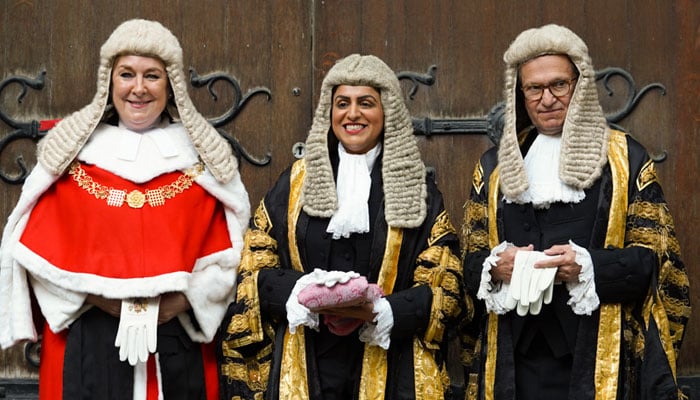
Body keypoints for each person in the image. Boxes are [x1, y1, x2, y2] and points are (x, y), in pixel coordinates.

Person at [0, 19, 250, 399]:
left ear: (171, 86)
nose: (138, 88)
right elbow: (34, 254)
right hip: (87, 342)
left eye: (152, 75)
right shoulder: (73, 159)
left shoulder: (203, 162)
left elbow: (232, 255)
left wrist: (181, 301)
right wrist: (103, 298)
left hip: (178, 344)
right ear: (109, 82)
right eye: (126, 74)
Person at [217, 54, 471, 399]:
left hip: (388, 360)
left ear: (387, 112)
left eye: (366, 103)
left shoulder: (416, 188)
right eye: (342, 103)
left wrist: (385, 311)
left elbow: (445, 281)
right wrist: (302, 291)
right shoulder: (294, 183)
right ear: (329, 112)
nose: (352, 114)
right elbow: (256, 259)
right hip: (307, 358)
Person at [460, 24, 690, 399]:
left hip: (597, 361)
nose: (546, 98)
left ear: (579, 86)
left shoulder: (626, 159)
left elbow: (655, 263)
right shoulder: (494, 168)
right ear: (520, 94)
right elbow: (466, 267)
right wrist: (495, 267)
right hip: (514, 369)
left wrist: (587, 268)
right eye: (534, 88)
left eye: (558, 85)